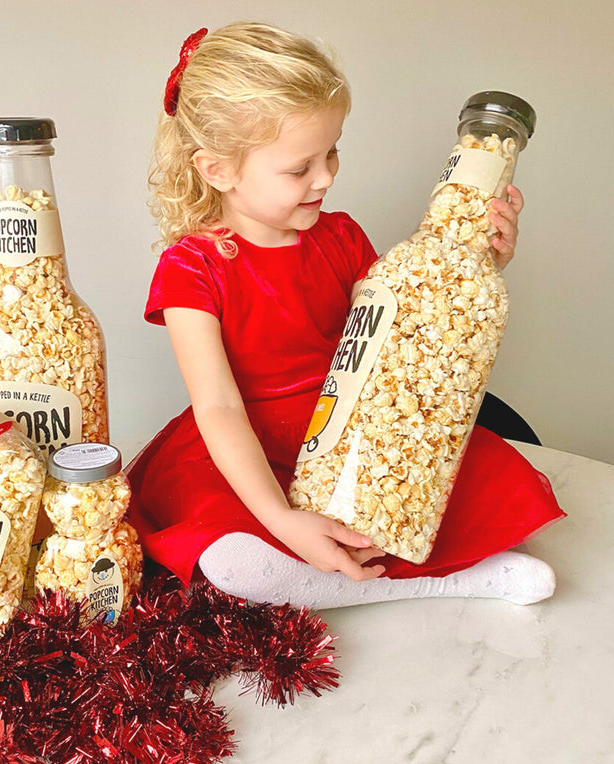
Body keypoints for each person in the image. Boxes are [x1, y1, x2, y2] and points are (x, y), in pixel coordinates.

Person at [126, 22, 563, 609]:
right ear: (218, 170)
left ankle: (352, 575)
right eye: (299, 167)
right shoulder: (194, 266)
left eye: (332, 151)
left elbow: (405, 335)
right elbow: (219, 406)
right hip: (250, 445)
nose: (326, 176)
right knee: (226, 555)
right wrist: (282, 520)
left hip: (353, 430)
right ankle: (449, 582)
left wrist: (482, 264)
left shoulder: (341, 236)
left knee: (495, 480)